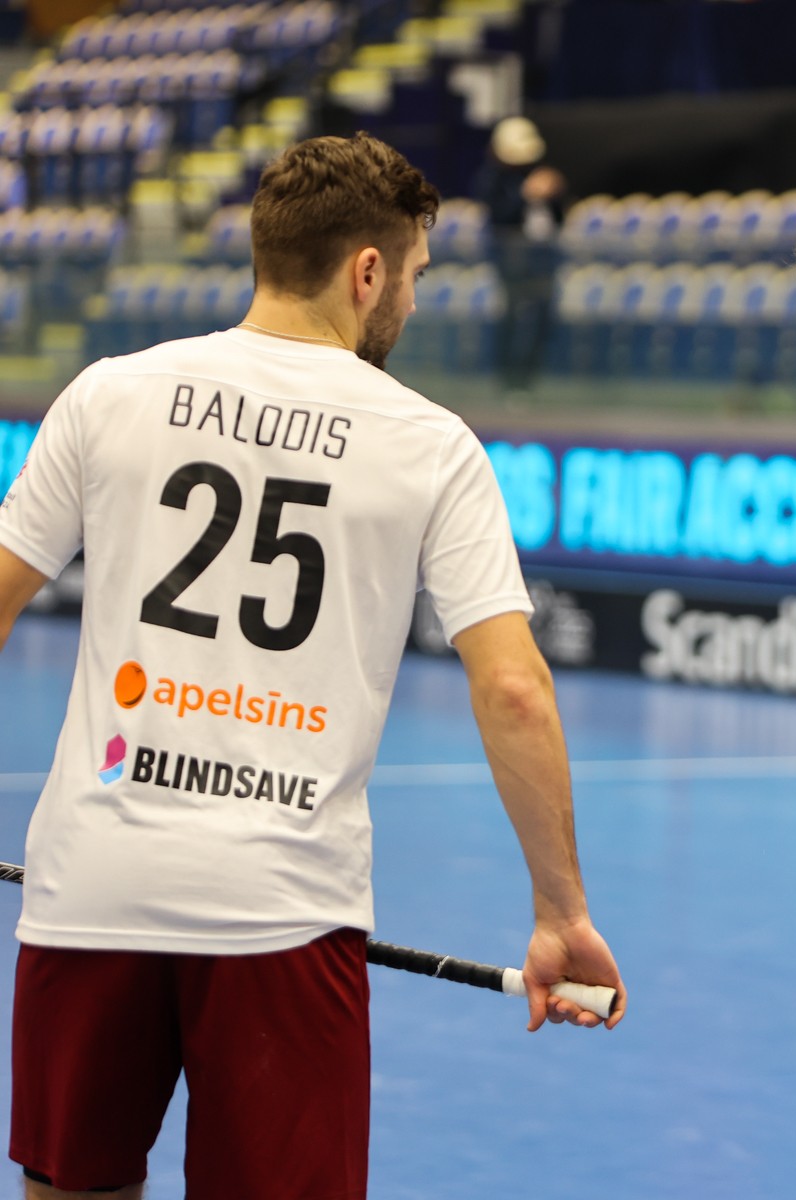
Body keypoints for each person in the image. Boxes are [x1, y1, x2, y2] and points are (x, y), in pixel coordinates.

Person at [0, 133, 625, 1200]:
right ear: (366, 271)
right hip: (283, 910)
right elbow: (514, 686)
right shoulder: (430, 443)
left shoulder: (110, 393)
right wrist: (562, 912)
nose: (413, 303)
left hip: (91, 883)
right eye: (415, 276)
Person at [474, 115, 567, 392]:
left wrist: (553, 193)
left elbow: (558, 218)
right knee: (512, 317)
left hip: (543, 259)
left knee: (542, 317)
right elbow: (499, 217)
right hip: (510, 260)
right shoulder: (493, 180)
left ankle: (530, 376)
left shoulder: (542, 174)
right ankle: (506, 377)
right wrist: (526, 194)